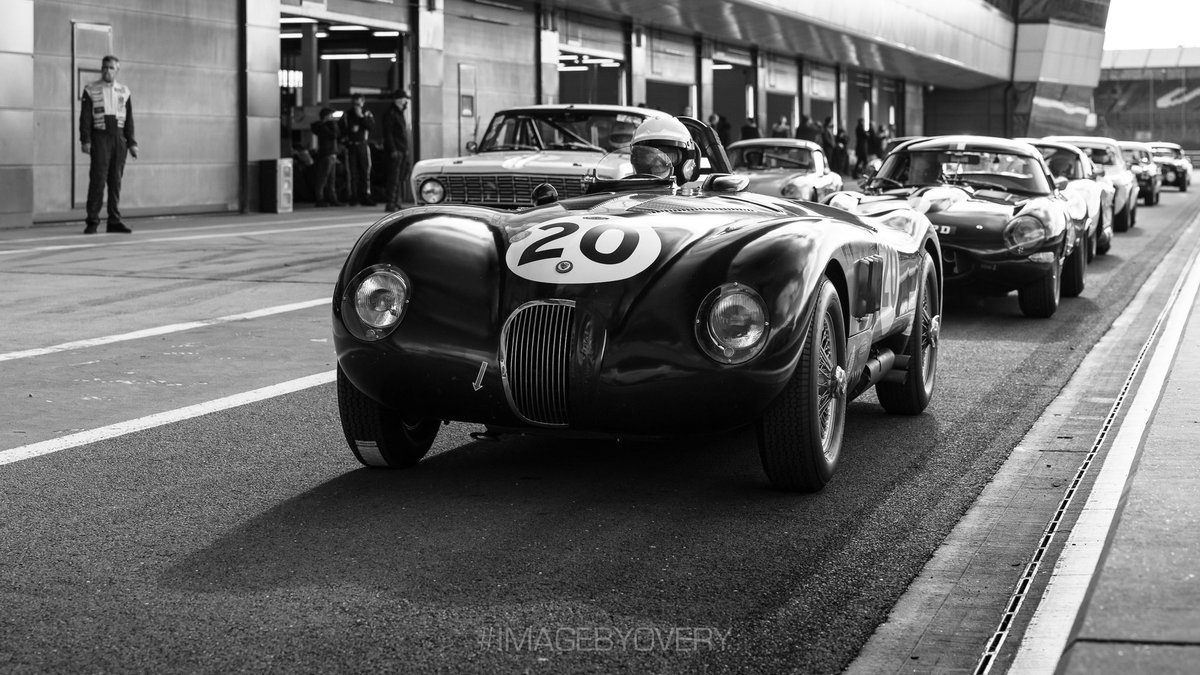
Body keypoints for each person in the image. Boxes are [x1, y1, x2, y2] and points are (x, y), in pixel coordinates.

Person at [79, 55, 138, 234]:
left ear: (117, 70)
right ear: (101, 68)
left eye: (111, 68)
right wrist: (86, 140)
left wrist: (132, 143)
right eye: (104, 67)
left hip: (119, 139)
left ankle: (114, 221)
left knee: (115, 181)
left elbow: (129, 119)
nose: (107, 70)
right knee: (98, 180)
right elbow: (85, 118)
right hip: (100, 137)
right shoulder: (90, 89)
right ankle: (92, 221)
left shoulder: (124, 91)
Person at [628, 116, 698, 184]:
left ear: (686, 156)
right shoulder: (627, 188)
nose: (657, 164)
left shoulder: (697, 190)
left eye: (668, 156)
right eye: (649, 156)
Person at [344, 93, 376, 206]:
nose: (356, 106)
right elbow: (343, 129)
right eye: (354, 104)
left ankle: (366, 196)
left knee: (365, 171)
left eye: (358, 104)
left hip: (363, 145)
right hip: (351, 146)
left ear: (363, 102)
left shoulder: (367, 113)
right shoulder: (348, 114)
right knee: (352, 172)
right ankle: (353, 196)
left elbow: (371, 127)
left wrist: (361, 117)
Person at [383, 89, 411, 211]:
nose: (406, 102)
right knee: (394, 178)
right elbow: (388, 133)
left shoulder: (399, 113)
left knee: (400, 178)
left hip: (402, 150)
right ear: (399, 100)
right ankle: (391, 203)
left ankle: (397, 202)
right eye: (405, 100)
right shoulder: (391, 113)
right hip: (396, 151)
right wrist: (393, 149)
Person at [310, 107, 344, 207]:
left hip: (332, 154)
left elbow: (338, 134)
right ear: (326, 116)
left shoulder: (328, 125)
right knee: (323, 178)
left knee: (331, 179)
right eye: (331, 115)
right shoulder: (322, 127)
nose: (333, 117)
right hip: (326, 154)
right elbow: (334, 135)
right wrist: (333, 123)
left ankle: (332, 198)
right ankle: (320, 199)